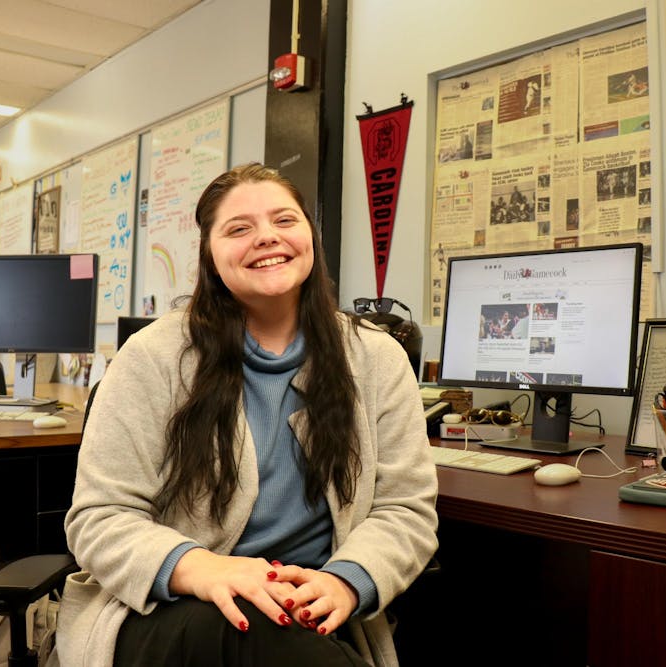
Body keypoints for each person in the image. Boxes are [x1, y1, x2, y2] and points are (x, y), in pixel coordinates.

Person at [56, 163, 439, 666]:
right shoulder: (152, 356)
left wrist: (346, 581)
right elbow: (99, 518)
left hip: (308, 608)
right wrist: (204, 568)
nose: (266, 238)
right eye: (239, 229)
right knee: (253, 635)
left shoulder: (375, 357)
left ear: (310, 238)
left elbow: (405, 510)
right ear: (211, 256)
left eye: (284, 220)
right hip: (174, 605)